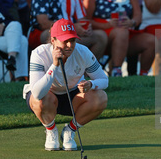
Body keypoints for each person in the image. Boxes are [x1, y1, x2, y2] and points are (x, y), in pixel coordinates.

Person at [23, 18, 108, 151]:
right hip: (47, 98)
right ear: (53, 40)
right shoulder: (39, 54)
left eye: (72, 40)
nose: (69, 45)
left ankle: (69, 131)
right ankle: (51, 131)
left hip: (72, 96)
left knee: (101, 97)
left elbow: (104, 80)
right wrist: (54, 65)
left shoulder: (83, 52)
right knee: (40, 99)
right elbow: (38, 93)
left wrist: (90, 84)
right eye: (65, 41)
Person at [84, 0, 155, 77]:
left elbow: (138, 17)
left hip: (125, 33)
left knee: (151, 41)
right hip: (102, 33)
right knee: (121, 32)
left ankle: (143, 76)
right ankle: (117, 70)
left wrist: (131, 22)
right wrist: (106, 24)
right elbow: (86, 20)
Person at [102, 0, 152, 75]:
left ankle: (132, 75)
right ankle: (111, 71)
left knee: (127, 34)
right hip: (107, 2)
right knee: (118, 34)